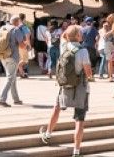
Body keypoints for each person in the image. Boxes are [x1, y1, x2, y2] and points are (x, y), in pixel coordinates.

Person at [39, 25, 92, 157]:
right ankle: (76, 151)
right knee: (79, 119)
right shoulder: (83, 51)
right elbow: (89, 73)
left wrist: (70, 31)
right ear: (79, 36)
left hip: (65, 85)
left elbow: (64, 36)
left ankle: (48, 134)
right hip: (81, 88)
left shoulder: (63, 47)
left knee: (56, 108)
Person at [0, 16, 22, 108]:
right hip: (12, 57)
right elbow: (21, 43)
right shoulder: (16, 30)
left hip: (2, 55)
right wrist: (28, 47)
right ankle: (2, 100)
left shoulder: (2, 28)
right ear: (17, 22)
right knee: (10, 78)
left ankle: (16, 99)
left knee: (12, 77)